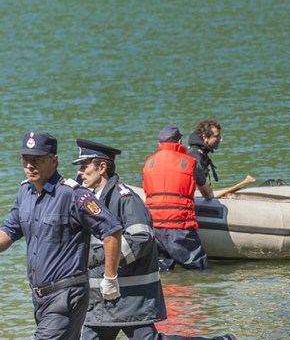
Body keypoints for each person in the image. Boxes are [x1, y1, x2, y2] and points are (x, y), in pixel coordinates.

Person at [74, 140, 236, 340]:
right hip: (102, 299)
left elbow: (141, 239)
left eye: (84, 166)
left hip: (131, 297)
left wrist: (100, 259)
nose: (80, 172)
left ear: (102, 167)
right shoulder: (90, 201)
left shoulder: (125, 199)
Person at [0, 131, 123, 339]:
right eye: (26, 160)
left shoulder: (74, 195)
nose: (30, 166)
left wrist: (110, 278)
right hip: (39, 297)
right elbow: (8, 232)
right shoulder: (25, 193)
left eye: (37, 160)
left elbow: (112, 230)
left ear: (54, 161)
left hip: (66, 295)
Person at [143, 125, 214, 271]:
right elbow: (207, 192)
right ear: (180, 142)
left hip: (154, 226)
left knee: (163, 270)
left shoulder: (149, 163)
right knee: (198, 269)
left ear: (159, 144)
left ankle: (169, 293)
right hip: (179, 226)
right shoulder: (190, 162)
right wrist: (210, 195)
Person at [187, 120, 223, 186]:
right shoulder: (195, 156)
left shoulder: (199, 152)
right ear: (205, 137)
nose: (221, 139)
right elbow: (196, 186)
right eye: (217, 136)